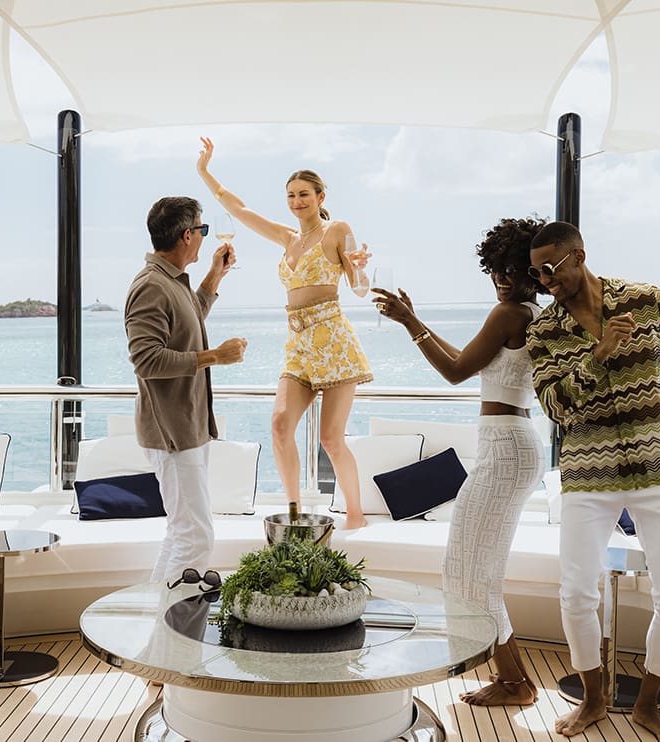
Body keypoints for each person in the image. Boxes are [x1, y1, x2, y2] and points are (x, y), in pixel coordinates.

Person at [525, 221, 660, 741]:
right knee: (575, 592)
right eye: (538, 273)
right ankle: (593, 699)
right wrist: (598, 357)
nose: (546, 280)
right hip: (588, 473)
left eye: (552, 268)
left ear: (579, 256)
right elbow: (554, 406)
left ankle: (647, 705)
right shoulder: (543, 333)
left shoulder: (643, 300)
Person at [372, 216, 548, 706]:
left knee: (467, 570)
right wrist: (418, 320)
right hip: (510, 444)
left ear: (533, 272)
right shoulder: (525, 314)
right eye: (496, 270)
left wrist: (410, 324)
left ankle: (515, 683)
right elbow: (471, 362)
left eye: (513, 270)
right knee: (472, 570)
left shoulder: (511, 315)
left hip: (507, 449)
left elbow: (453, 372)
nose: (502, 280)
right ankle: (514, 680)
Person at [196, 137, 373, 529]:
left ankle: (356, 517)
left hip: (334, 342)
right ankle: (293, 516)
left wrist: (358, 266)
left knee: (331, 438)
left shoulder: (337, 230)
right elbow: (237, 208)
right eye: (291, 195)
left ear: (320, 195)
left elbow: (360, 288)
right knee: (279, 425)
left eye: (304, 194)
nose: (297, 201)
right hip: (297, 345)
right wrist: (204, 171)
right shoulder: (287, 238)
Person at [125, 196, 247, 583]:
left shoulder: (170, 282)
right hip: (172, 433)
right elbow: (146, 360)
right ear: (187, 235)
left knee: (182, 532)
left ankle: (157, 625)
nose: (203, 237)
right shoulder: (150, 287)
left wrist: (215, 276)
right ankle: (171, 635)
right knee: (195, 537)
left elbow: (188, 318)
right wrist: (215, 357)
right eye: (202, 230)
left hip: (186, 427)